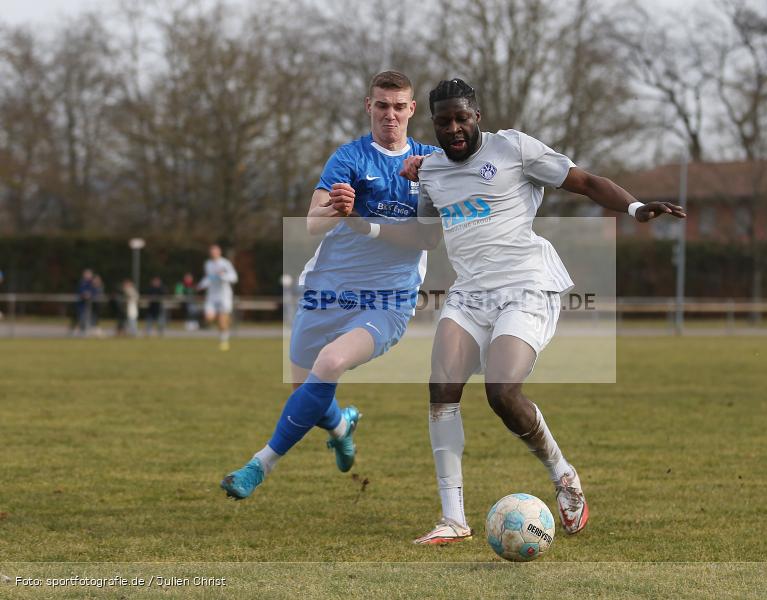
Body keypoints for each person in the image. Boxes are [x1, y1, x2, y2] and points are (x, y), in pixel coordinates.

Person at [365, 78, 685, 544]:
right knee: (441, 388)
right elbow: (426, 236)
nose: (454, 128)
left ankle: (563, 475)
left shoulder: (513, 148)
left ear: (477, 117)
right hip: (471, 293)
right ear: (432, 124)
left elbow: (586, 182)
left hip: (527, 286)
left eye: (462, 118)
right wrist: (368, 228)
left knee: (501, 391)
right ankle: (453, 520)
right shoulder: (430, 170)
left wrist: (635, 207)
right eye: (444, 121)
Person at [219, 71, 440, 502]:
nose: (390, 115)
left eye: (399, 107)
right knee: (309, 396)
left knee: (332, 362)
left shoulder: (431, 163)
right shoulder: (350, 158)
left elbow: (437, 230)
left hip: (388, 300)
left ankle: (257, 466)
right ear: (368, 107)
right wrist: (338, 210)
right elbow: (311, 223)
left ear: (412, 110)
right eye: (381, 105)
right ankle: (341, 425)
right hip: (326, 292)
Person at [198, 245, 238, 350]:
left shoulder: (225, 263)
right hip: (211, 296)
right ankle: (224, 320)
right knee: (208, 318)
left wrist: (223, 276)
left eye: (215, 252)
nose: (213, 254)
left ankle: (224, 341)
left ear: (219, 252)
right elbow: (208, 278)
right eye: (211, 252)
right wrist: (201, 285)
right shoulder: (208, 264)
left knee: (222, 322)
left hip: (224, 296)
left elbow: (234, 277)